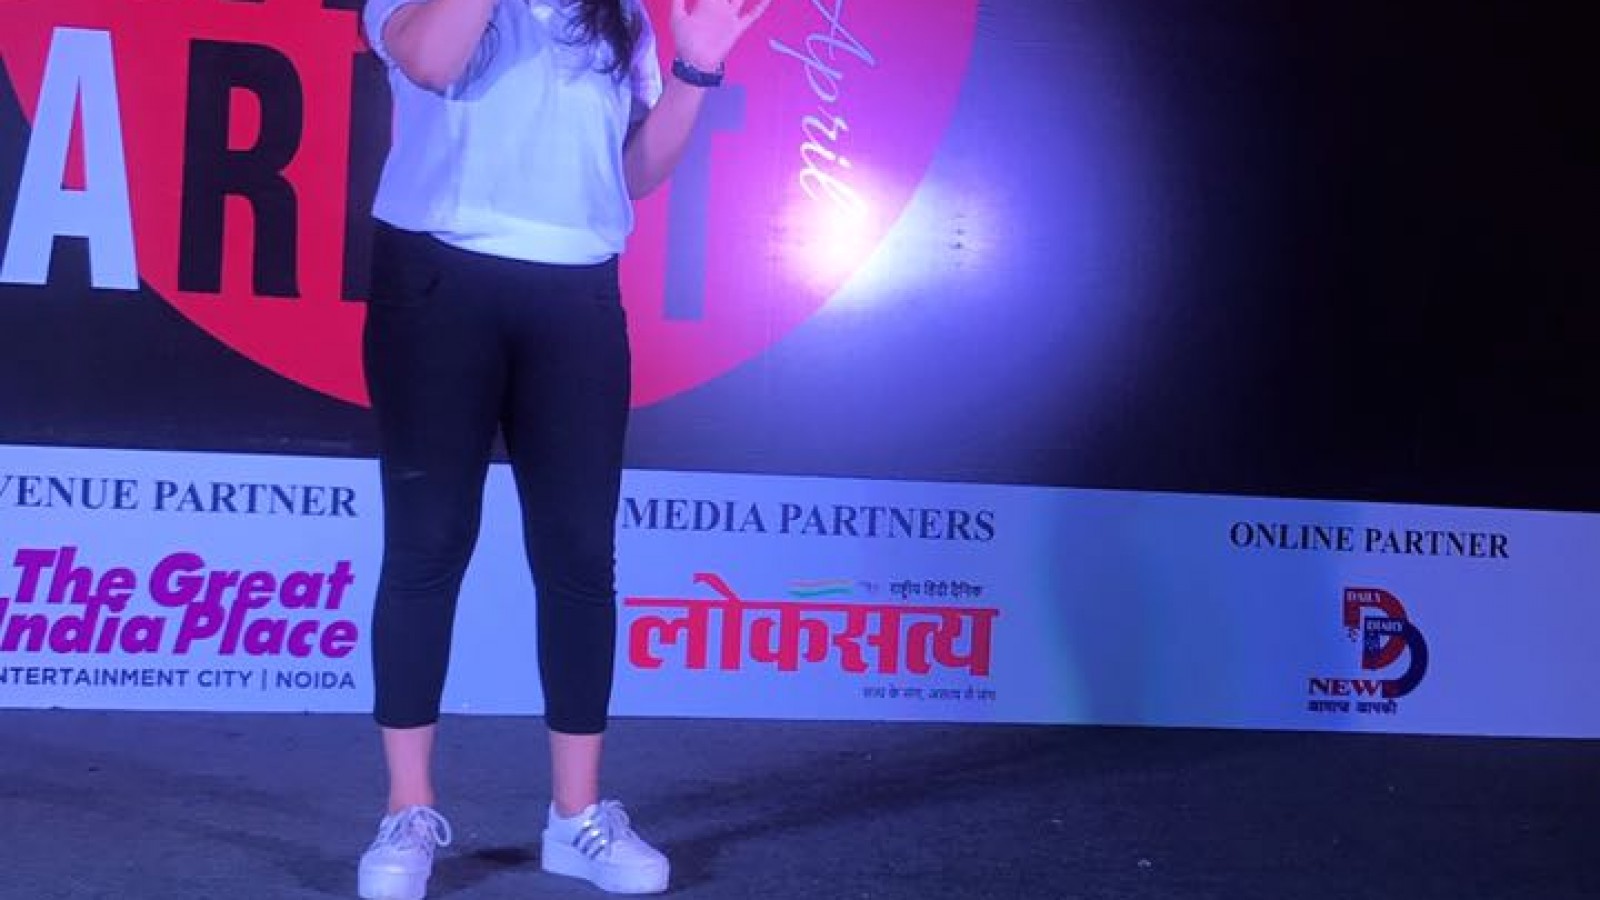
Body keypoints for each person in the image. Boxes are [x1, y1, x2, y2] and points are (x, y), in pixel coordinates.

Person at [352, 0, 770, 897]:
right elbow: (430, 61)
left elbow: (636, 172)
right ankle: (407, 811)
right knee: (427, 544)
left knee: (580, 555)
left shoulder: (618, 14)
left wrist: (696, 67)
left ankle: (575, 817)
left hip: (577, 295)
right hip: (436, 281)